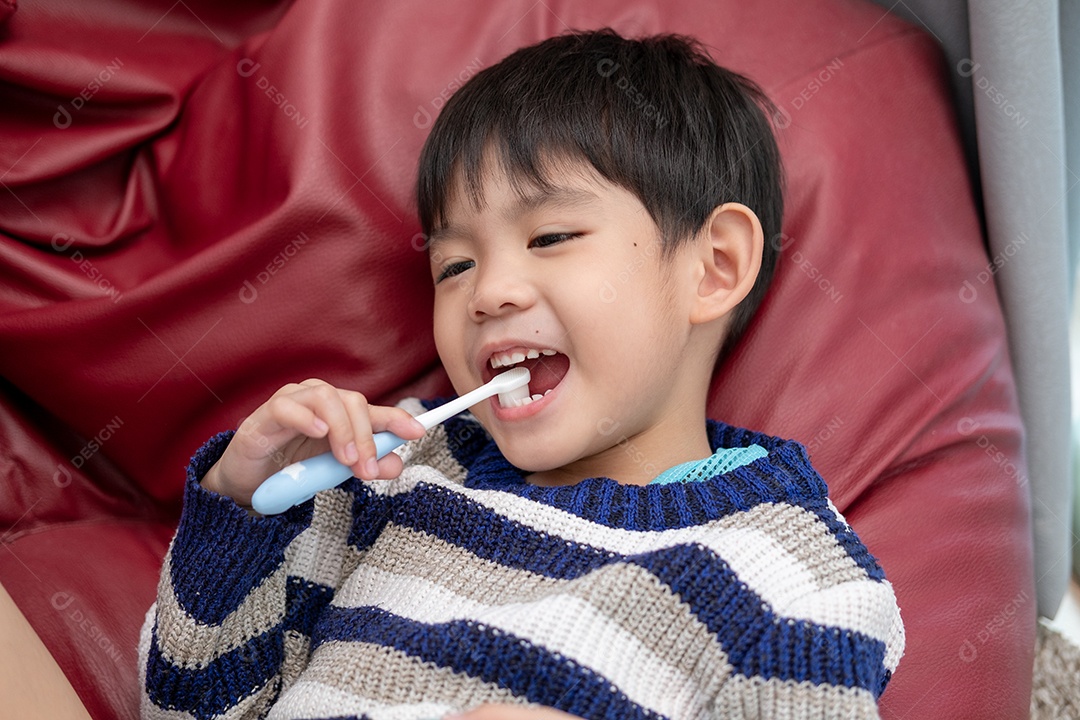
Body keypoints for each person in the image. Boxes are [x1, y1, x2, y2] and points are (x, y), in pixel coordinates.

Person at [139, 29, 904, 720]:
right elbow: (187, 709)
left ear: (714, 267)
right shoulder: (393, 475)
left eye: (550, 236)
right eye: (455, 264)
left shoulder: (799, 580)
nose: (489, 292)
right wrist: (238, 509)